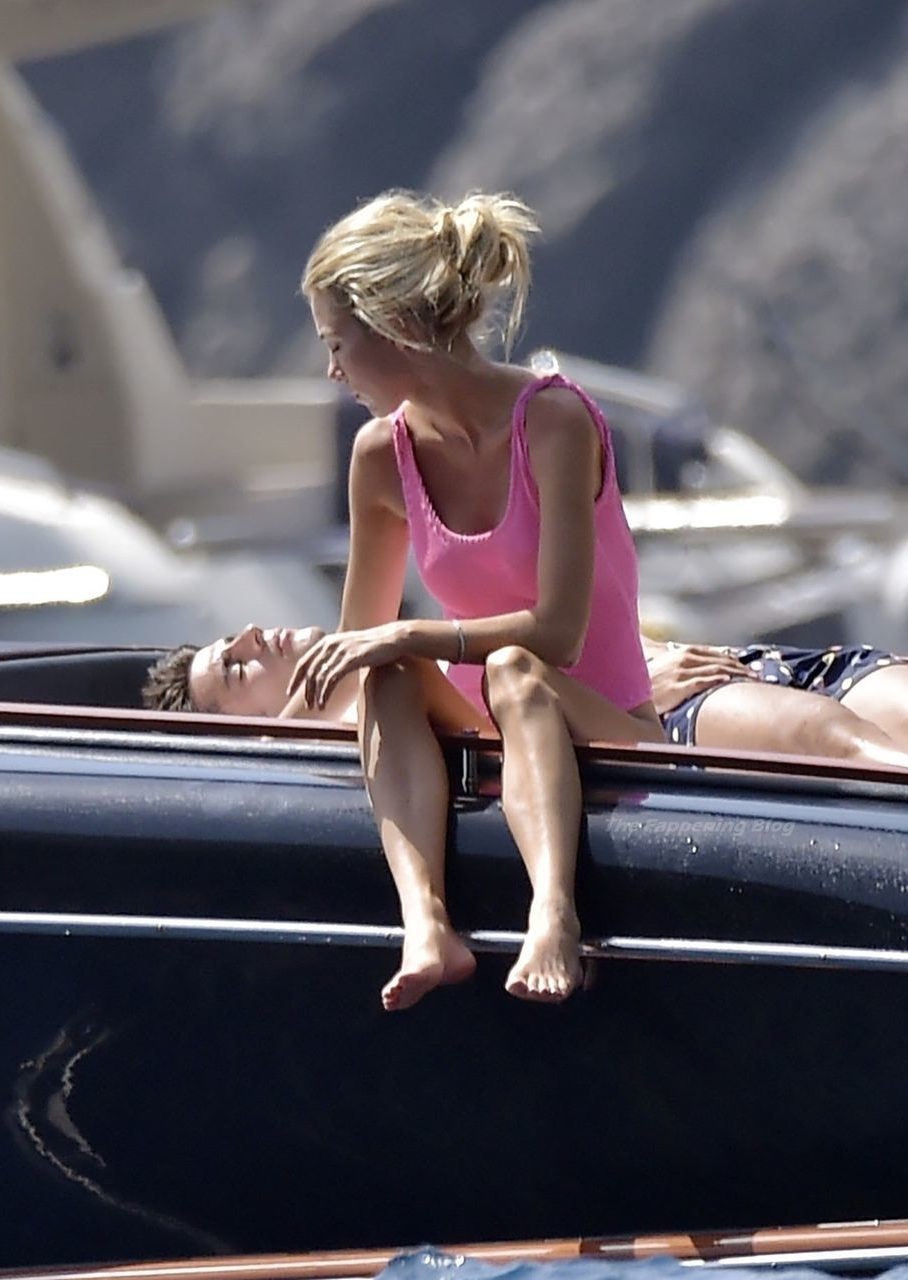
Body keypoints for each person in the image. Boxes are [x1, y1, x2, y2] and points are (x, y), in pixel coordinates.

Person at [281, 188, 662, 1010]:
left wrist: (414, 633)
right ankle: (426, 925)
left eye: (338, 344)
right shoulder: (379, 457)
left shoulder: (554, 421)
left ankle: (553, 916)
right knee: (387, 672)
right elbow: (357, 646)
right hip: (485, 733)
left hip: (607, 727)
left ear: (393, 327)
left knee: (516, 669)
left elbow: (559, 634)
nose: (333, 371)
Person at [145, 628, 908, 791]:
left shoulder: (388, 628)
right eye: (229, 670)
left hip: (735, 658)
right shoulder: (389, 724)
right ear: (255, 728)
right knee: (844, 743)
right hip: (675, 721)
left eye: (235, 637)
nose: (252, 641)